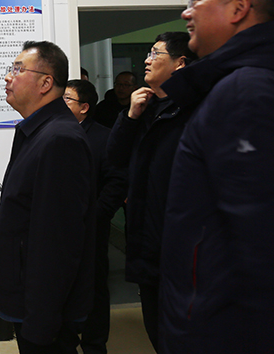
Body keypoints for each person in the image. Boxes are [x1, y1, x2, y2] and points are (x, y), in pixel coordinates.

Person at [159, 0, 274, 353]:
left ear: (239, 7)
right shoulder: (252, 84)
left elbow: (265, 244)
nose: (186, 12)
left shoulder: (247, 93)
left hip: (227, 331)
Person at [0, 41, 96, 353]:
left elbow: (58, 243)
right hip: (29, 300)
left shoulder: (60, 140)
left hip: (44, 312)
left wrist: (41, 321)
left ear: (46, 83)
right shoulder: (37, 132)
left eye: (17, 69)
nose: (8, 77)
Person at [106, 32, 196, 351]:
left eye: (156, 54)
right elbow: (113, 158)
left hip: (179, 243)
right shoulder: (144, 108)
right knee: (156, 328)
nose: (147, 60)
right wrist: (130, 116)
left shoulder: (193, 109)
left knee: (183, 332)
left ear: (180, 64)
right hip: (145, 238)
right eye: (148, 53)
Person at [64, 79, 127, 354]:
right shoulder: (56, 133)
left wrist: (98, 215)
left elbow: (117, 181)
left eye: (67, 99)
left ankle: (94, 345)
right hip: (60, 226)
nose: (61, 104)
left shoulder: (103, 136)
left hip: (92, 226)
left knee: (95, 287)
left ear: (85, 107)